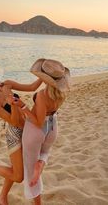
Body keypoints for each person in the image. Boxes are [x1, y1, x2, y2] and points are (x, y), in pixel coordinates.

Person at [0, 66, 42, 205]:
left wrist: (44, 76)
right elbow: (14, 121)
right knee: (18, 176)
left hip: (28, 128)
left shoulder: (7, 84)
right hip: (15, 135)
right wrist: (13, 105)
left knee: (16, 169)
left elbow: (31, 87)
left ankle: (2, 198)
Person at [13, 58, 70, 205]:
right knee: (45, 152)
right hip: (52, 127)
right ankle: (41, 164)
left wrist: (22, 106)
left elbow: (37, 121)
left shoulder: (42, 96)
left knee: (30, 170)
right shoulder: (61, 92)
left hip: (35, 130)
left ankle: (37, 203)